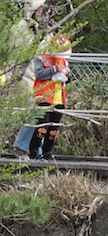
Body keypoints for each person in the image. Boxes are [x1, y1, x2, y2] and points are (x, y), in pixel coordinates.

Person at [11, 0, 47, 159]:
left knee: (39, 112)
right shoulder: (21, 28)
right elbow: (17, 54)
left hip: (37, 75)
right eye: (39, 7)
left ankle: (34, 148)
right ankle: (21, 146)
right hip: (23, 75)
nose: (41, 11)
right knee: (31, 111)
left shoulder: (38, 27)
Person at [29, 34, 72, 162]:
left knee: (53, 130)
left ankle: (47, 154)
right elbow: (39, 74)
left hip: (59, 99)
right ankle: (33, 153)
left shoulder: (65, 60)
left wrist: (67, 74)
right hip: (44, 98)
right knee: (41, 128)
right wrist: (54, 69)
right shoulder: (42, 59)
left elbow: (69, 80)